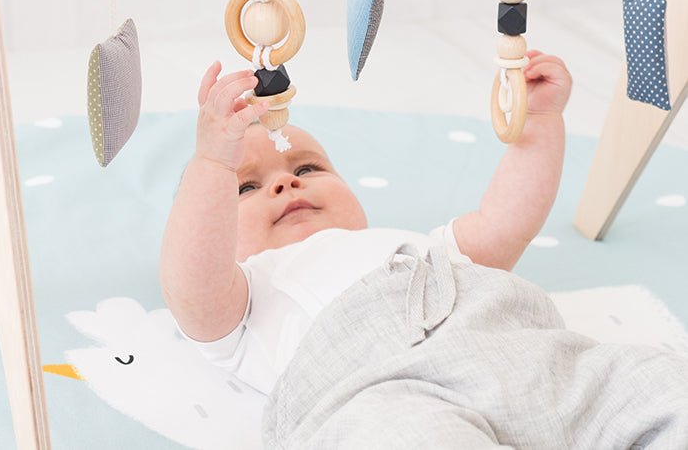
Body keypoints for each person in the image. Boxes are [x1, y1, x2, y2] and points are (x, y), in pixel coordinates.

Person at [159, 53, 688, 448]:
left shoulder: (414, 247)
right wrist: (212, 162)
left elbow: (507, 223)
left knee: (655, 386)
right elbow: (192, 278)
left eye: (307, 168)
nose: (286, 185)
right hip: (391, 394)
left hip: (541, 364)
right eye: (245, 188)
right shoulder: (247, 296)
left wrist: (539, 126)